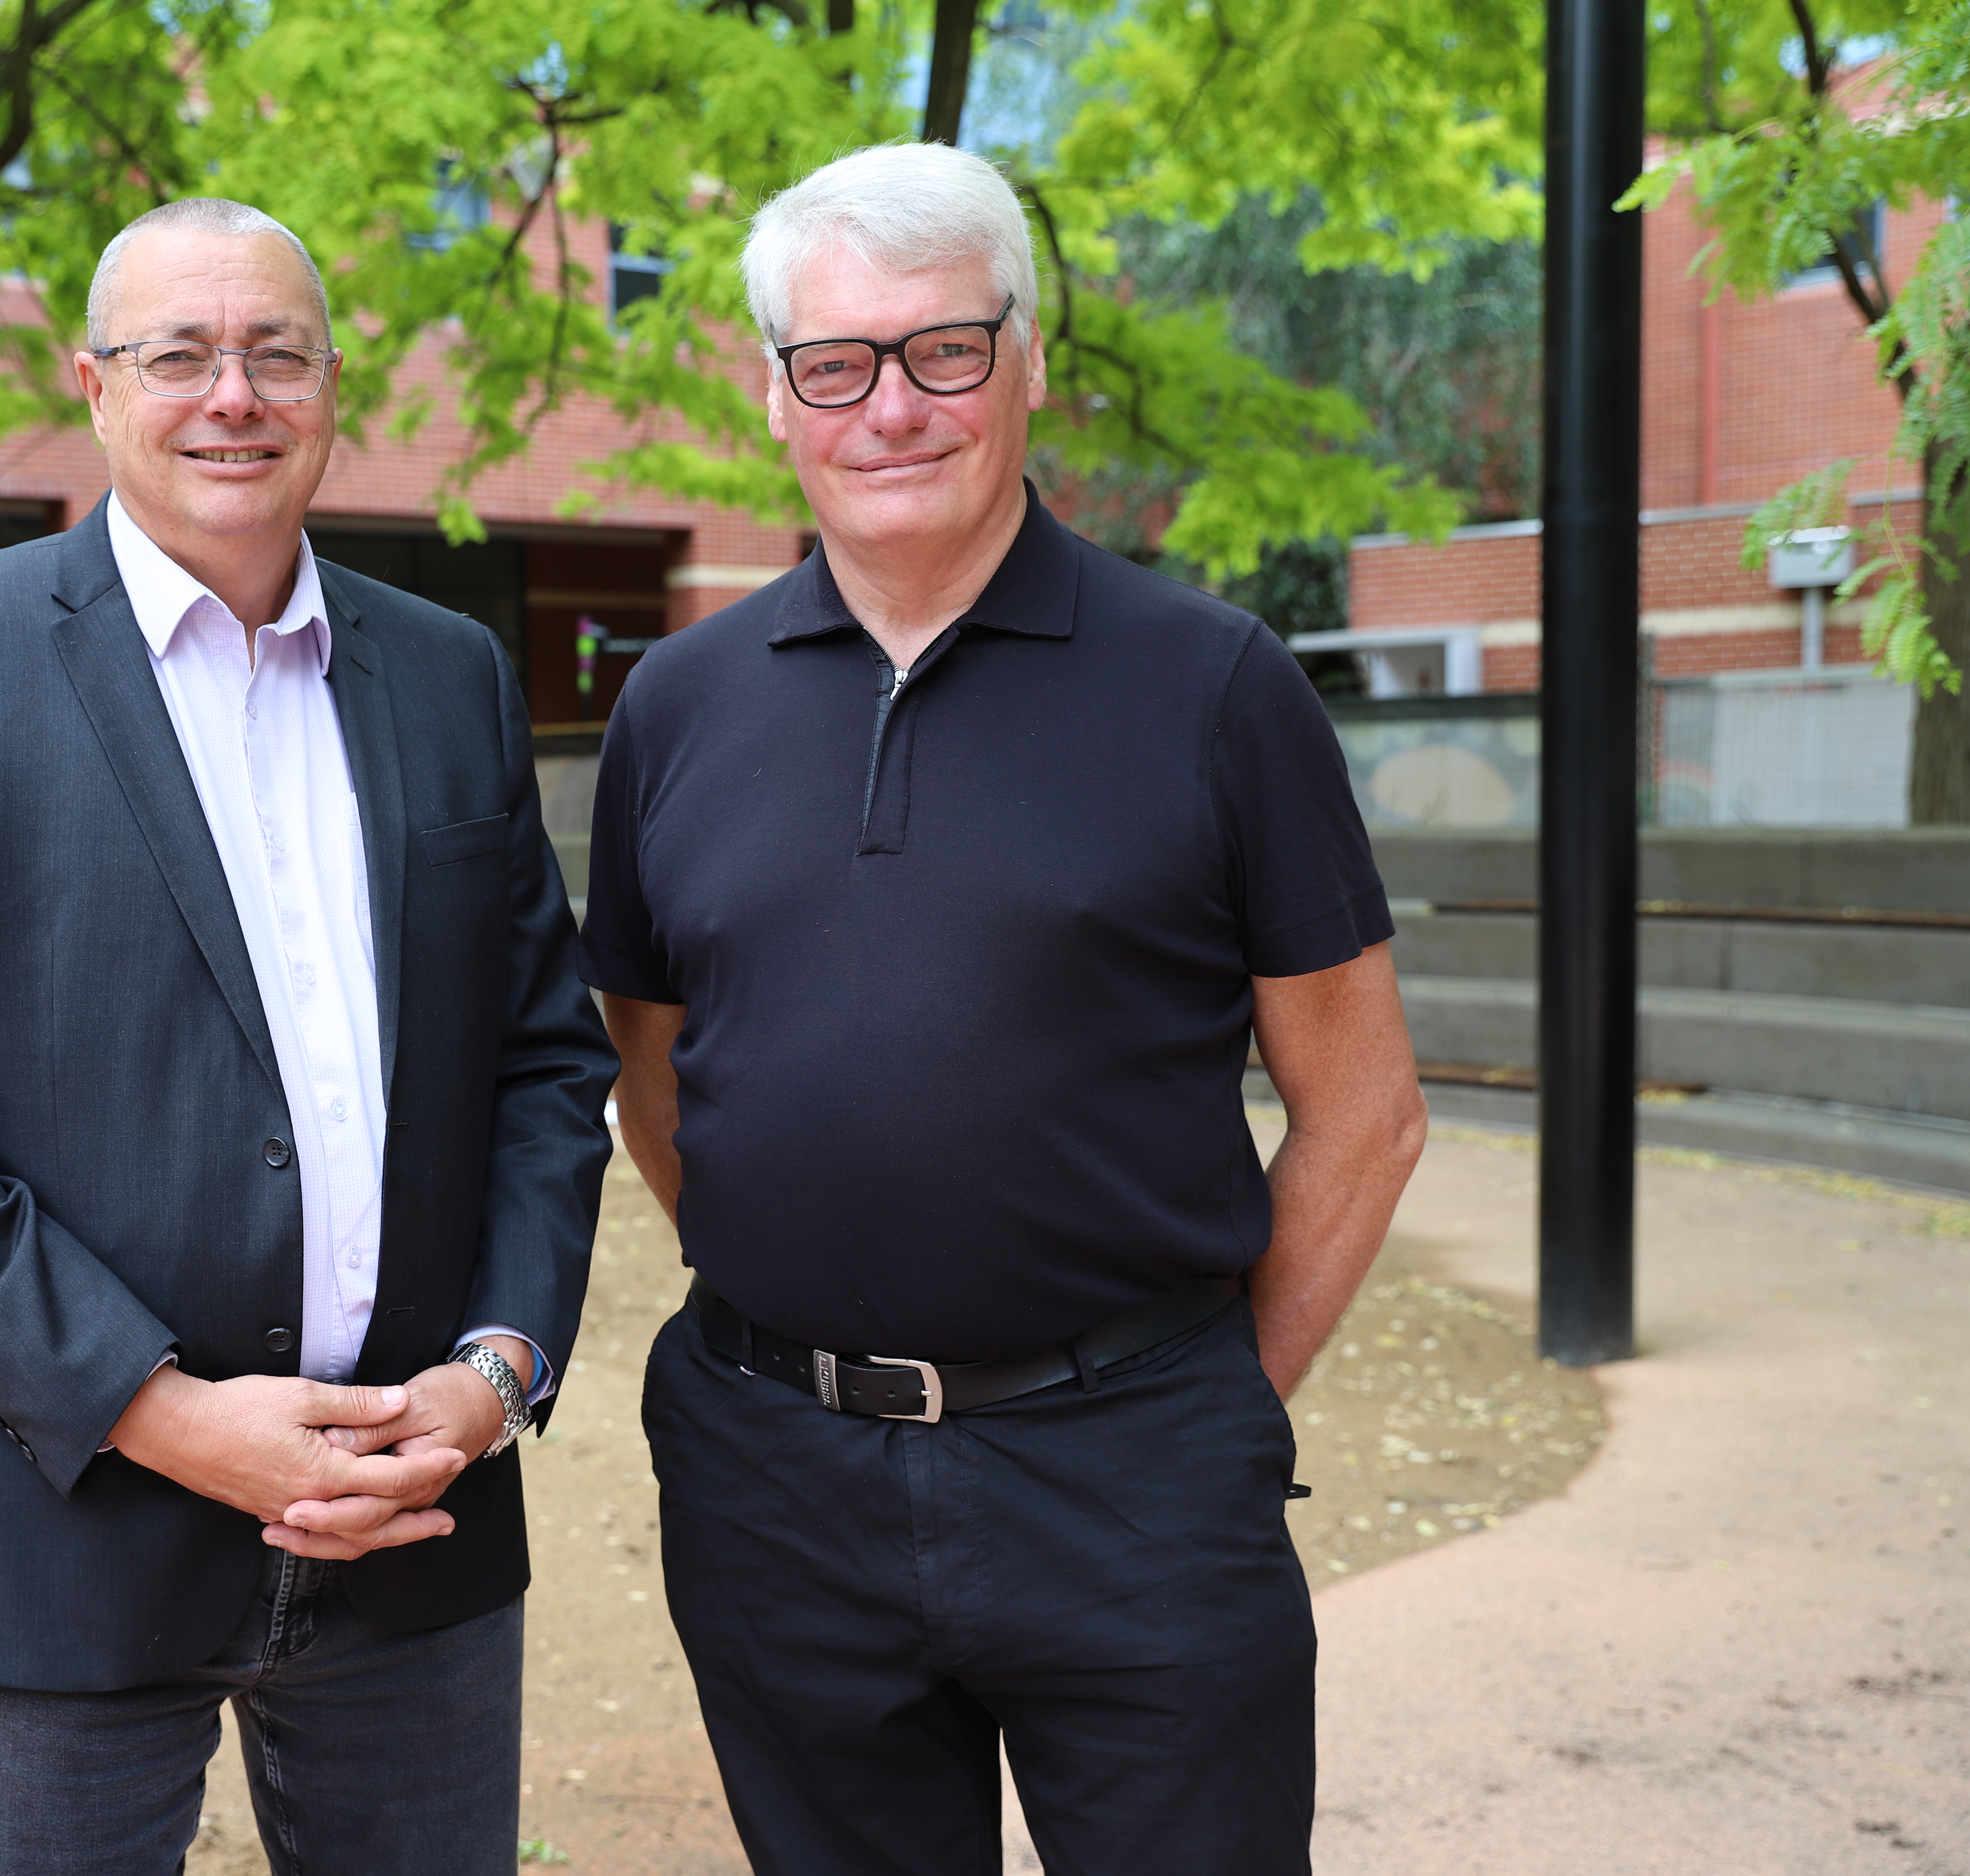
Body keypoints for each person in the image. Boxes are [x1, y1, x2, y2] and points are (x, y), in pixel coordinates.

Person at [581, 143, 1427, 1875]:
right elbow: (651, 1076)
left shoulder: (1216, 686)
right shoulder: (674, 707)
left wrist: (1212, 1414)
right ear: (777, 395)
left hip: (1136, 1487)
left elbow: (1365, 1109)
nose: (891, 406)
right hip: (774, 1484)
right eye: (838, 363)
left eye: (944, 350)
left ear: (1027, 360)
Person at [0, 196, 616, 1876]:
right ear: (95, 388)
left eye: (275, 353)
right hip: (60, 1527)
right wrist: (159, 1413)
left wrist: (495, 1377)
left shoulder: (449, 675)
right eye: (180, 354)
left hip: (414, 1523)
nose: (232, 393)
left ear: (330, 389)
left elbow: (543, 1064)